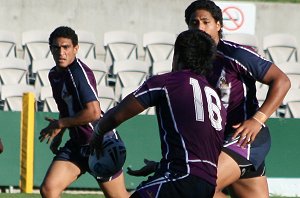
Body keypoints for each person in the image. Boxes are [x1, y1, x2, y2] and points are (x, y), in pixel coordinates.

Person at [128, 1, 291, 198]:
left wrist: (257, 120)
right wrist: (169, 165)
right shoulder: (188, 66)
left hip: (244, 138)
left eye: (206, 22)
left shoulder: (235, 54)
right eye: (194, 23)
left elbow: (282, 81)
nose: (200, 27)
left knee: (198, 186)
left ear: (219, 25)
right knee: (198, 186)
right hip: (214, 145)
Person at [90, 29, 227, 198]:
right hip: (206, 185)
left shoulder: (168, 82)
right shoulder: (215, 98)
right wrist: (160, 167)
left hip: (180, 177)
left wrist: (97, 133)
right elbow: (199, 152)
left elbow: (116, 115)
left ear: (177, 55)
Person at [38, 26, 129, 198]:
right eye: (56, 48)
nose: (61, 52)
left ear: (76, 49)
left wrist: (60, 124)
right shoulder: (54, 75)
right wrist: (59, 133)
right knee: (49, 190)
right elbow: (65, 110)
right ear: (50, 49)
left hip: (100, 142)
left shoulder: (78, 73)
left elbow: (93, 113)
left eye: (66, 47)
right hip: (77, 144)